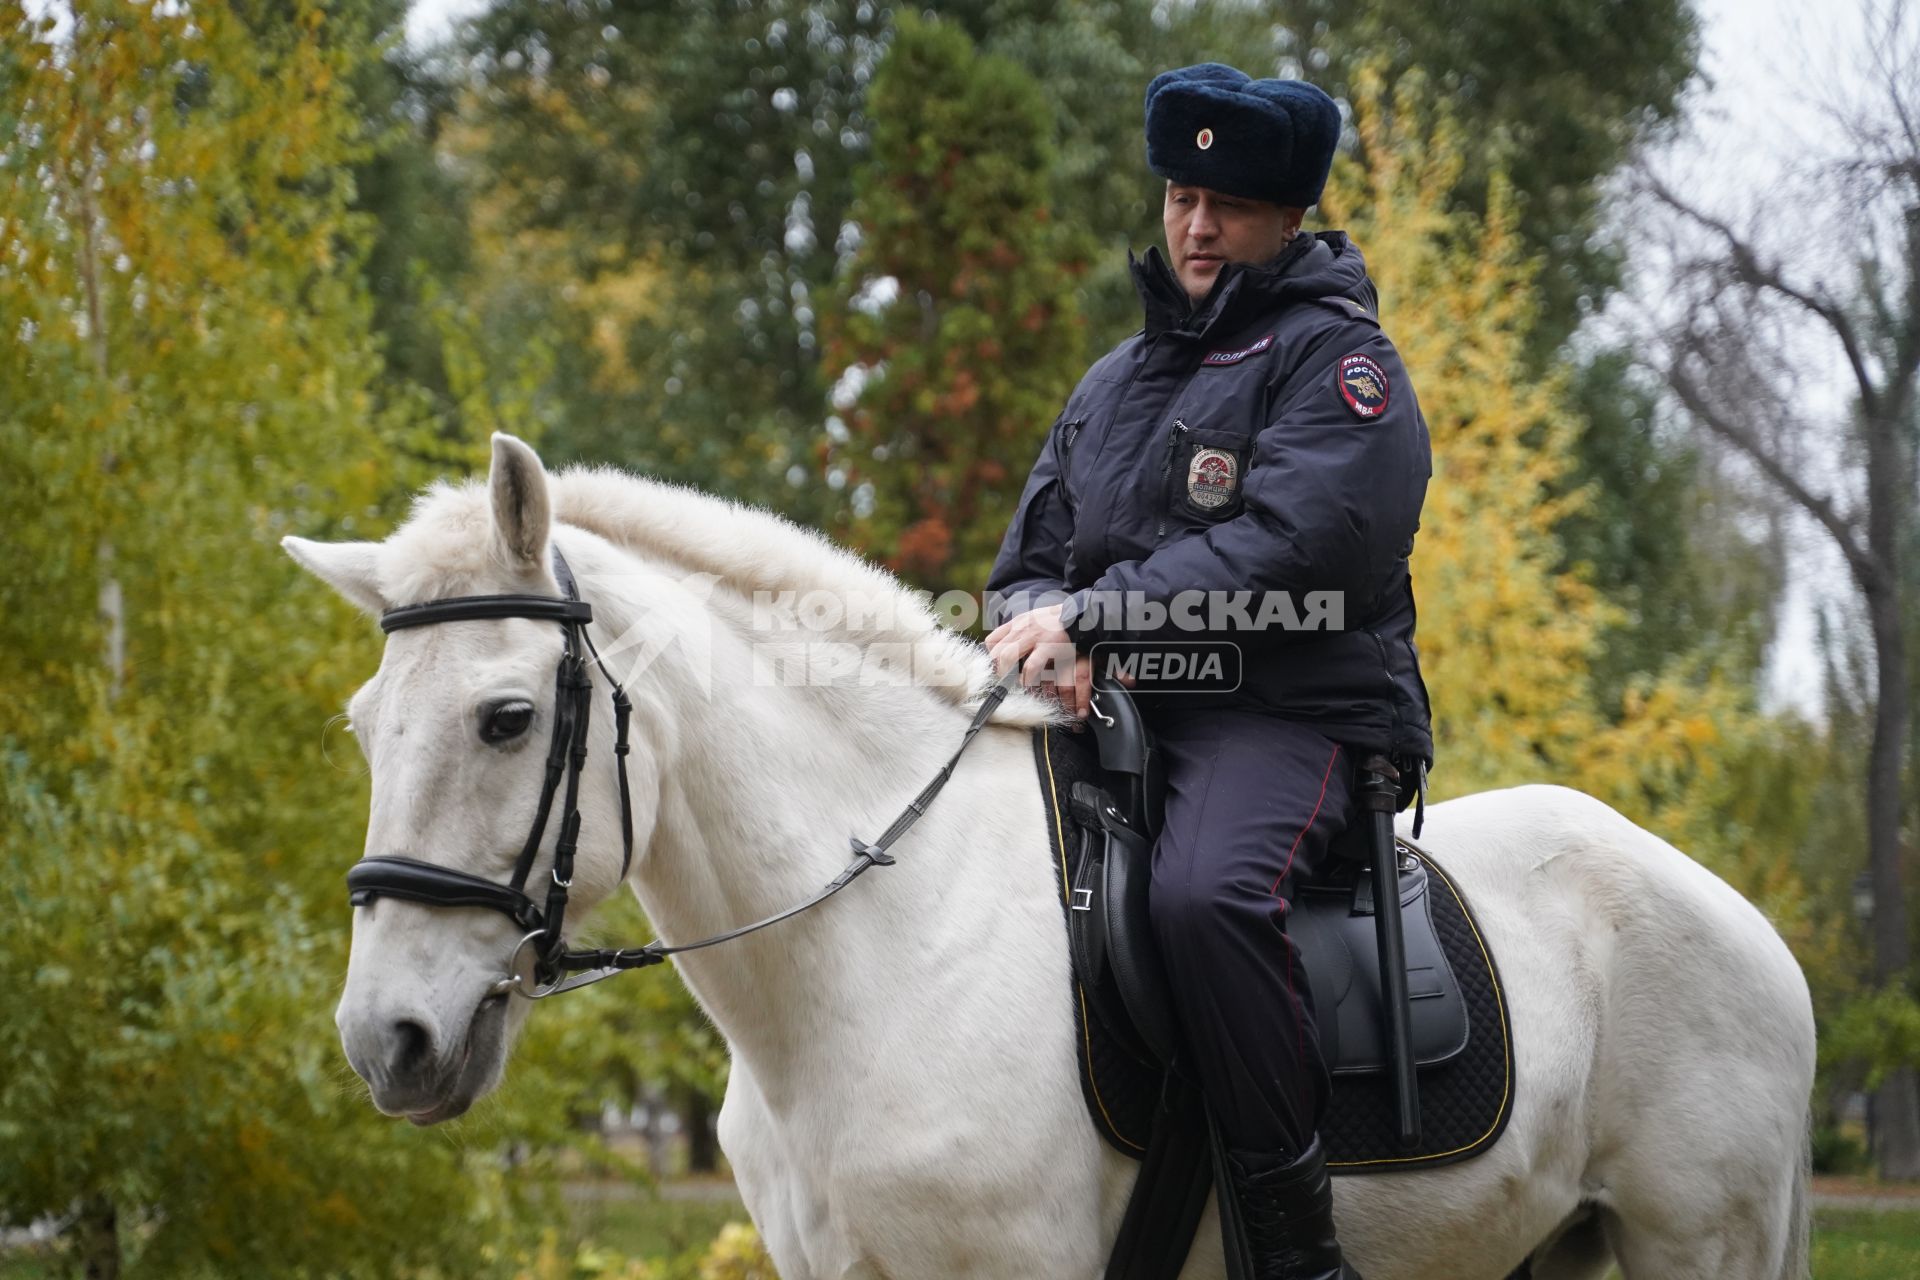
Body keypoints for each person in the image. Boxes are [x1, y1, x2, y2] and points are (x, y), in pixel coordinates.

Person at [983, 63, 1433, 1280]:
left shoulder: (1341, 364)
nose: (1195, 224)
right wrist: (1043, 632)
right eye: (1182, 194)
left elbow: (1303, 548)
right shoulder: (1110, 385)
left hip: (1292, 708)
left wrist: (1099, 619)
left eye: (1226, 202)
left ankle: (1297, 1251)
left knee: (1202, 897)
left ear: (1289, 216)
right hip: (1119, 714)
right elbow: (1027, 560)